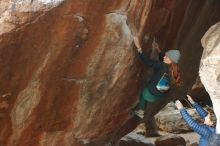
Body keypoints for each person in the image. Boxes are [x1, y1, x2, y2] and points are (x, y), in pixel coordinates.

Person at [133, 36, 182, 136]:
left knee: (143, 92)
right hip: (160, 96)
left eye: (167, 56)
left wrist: (138, 47)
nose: (164, 56)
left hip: (150, 95)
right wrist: (159, 49)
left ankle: (140, 110)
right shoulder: (174, 69)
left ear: (170, 60)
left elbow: (147, 61)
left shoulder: (161, 66)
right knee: (150, 89)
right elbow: (163, 57)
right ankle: (144, 108)